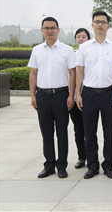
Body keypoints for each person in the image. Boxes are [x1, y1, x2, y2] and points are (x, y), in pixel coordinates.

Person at [75, 11, 112, 179]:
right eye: (97, 21)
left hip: (109, 93)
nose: (100, 24)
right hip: (89, 94)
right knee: (89, 132)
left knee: (110, 132)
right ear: (92, 25)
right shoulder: (84, 47)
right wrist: (78, 93)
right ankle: (92, 165)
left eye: (103, 22)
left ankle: (108, 165)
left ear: (108, 26)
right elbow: (80, 71)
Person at [28, 17, 76, 179]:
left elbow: (72, 73)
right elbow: (33, 73)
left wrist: (71, 95)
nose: (50, 31)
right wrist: (32, 95)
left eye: (53, 28)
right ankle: (49, 165)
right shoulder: (37, 50)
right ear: (42, 30)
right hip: (42, 96)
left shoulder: (67, 50)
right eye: (47, 28)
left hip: (61, 95)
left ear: (58, 30)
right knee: (46, 132)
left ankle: (61, 165)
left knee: (62, 132)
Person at [69, 28, 89, 169]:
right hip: (75, 97)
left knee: (89, 130)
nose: (81, 39)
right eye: (78, 36)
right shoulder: (72, 55)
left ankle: (92, 157)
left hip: (88, 96)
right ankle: (81, 157)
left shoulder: (91, 54)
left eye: (84, 36)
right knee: (78, 129)